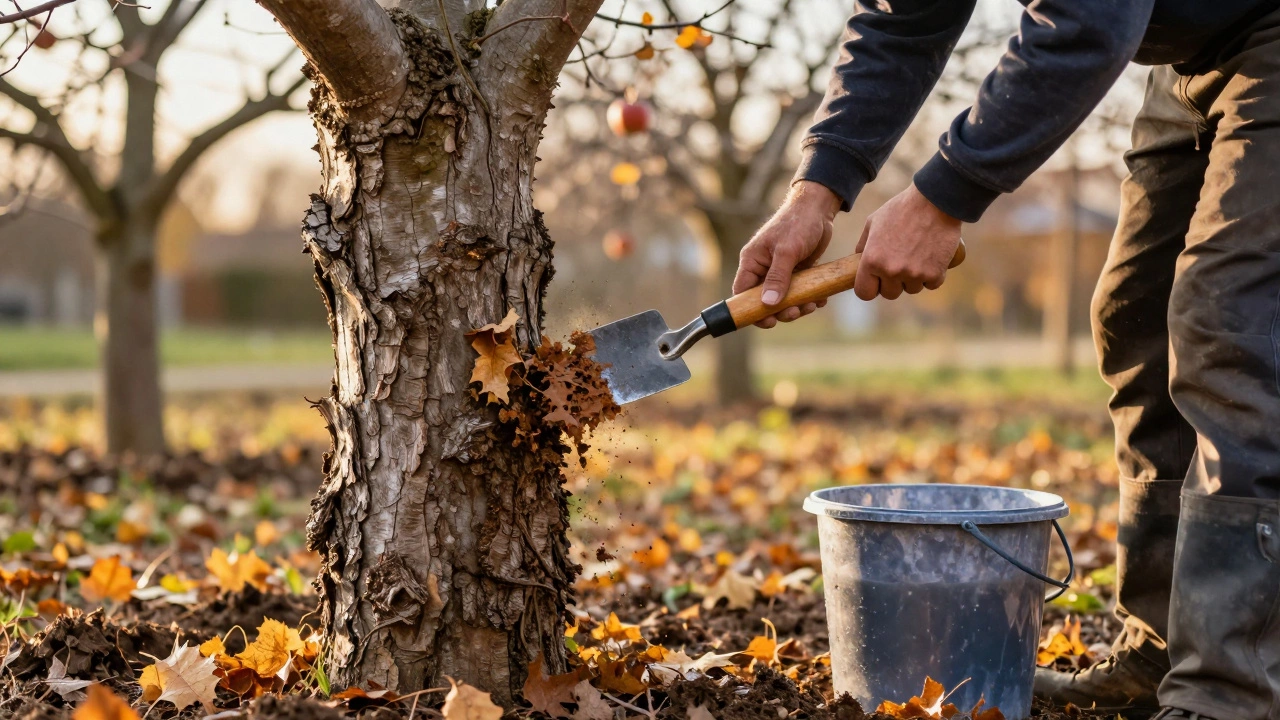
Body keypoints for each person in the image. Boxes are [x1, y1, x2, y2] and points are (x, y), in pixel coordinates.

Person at [736, 1, 1280, 717]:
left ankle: (1228, 689)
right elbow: (902, 20)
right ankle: (1163, 649)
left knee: (1223, 324)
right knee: (1132, 316)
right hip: (1190, 51)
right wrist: (817, 191)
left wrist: (942, 196)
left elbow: (1088, 22)